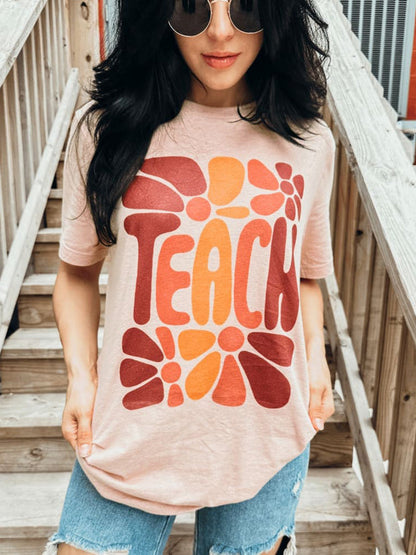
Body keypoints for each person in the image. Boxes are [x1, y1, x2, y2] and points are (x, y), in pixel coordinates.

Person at [42, 0, 336, 553]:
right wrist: (81, 379)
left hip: (264, 431)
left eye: (245, 8)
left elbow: (303, 275)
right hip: (133, 429)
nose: (220, 31)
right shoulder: (107, 130)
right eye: (192, 8)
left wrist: (315, 361)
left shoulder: (309, 141)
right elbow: (77, 273)